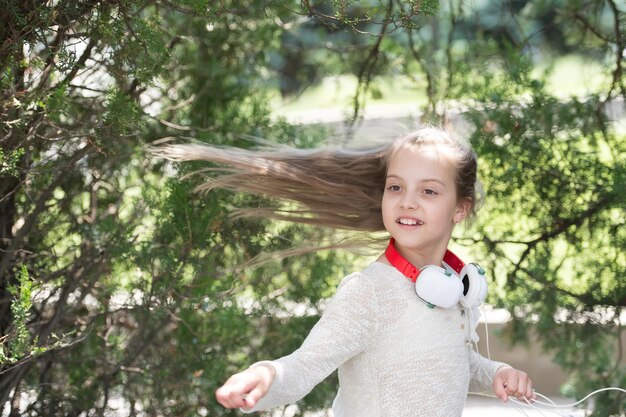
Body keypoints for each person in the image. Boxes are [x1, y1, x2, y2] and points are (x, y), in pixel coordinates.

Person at [153, 126, 535, 416]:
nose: (408, 203)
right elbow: (305, 365)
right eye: (396, 187)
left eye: (429, 192)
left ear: (460, 209)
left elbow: (446, 361)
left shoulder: (451, 288)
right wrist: (267, 376)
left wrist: (496, 372)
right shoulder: (370, 292)